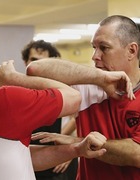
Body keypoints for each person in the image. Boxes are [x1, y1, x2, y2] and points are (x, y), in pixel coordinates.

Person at [0, 32, 114, 180]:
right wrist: (14, 78)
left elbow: (24, 156)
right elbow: (74, 98)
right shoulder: (1, 100)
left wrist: (76, 149)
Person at [25, 15, 140, 180]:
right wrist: (99, 77)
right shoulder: (90, 86)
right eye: (94, 47)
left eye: (104, 48)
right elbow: (35, 69)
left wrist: (78, 143)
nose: (95, 56)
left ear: (131, 50)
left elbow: (136, 155)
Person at [21, 39, 78, 180]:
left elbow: (78, 117)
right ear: (25, 61)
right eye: (33, 60)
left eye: (43, 61)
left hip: (55, 165)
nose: (36, 65)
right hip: (26, 160)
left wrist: (68, 150)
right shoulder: (18, 89)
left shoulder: (61, 89)